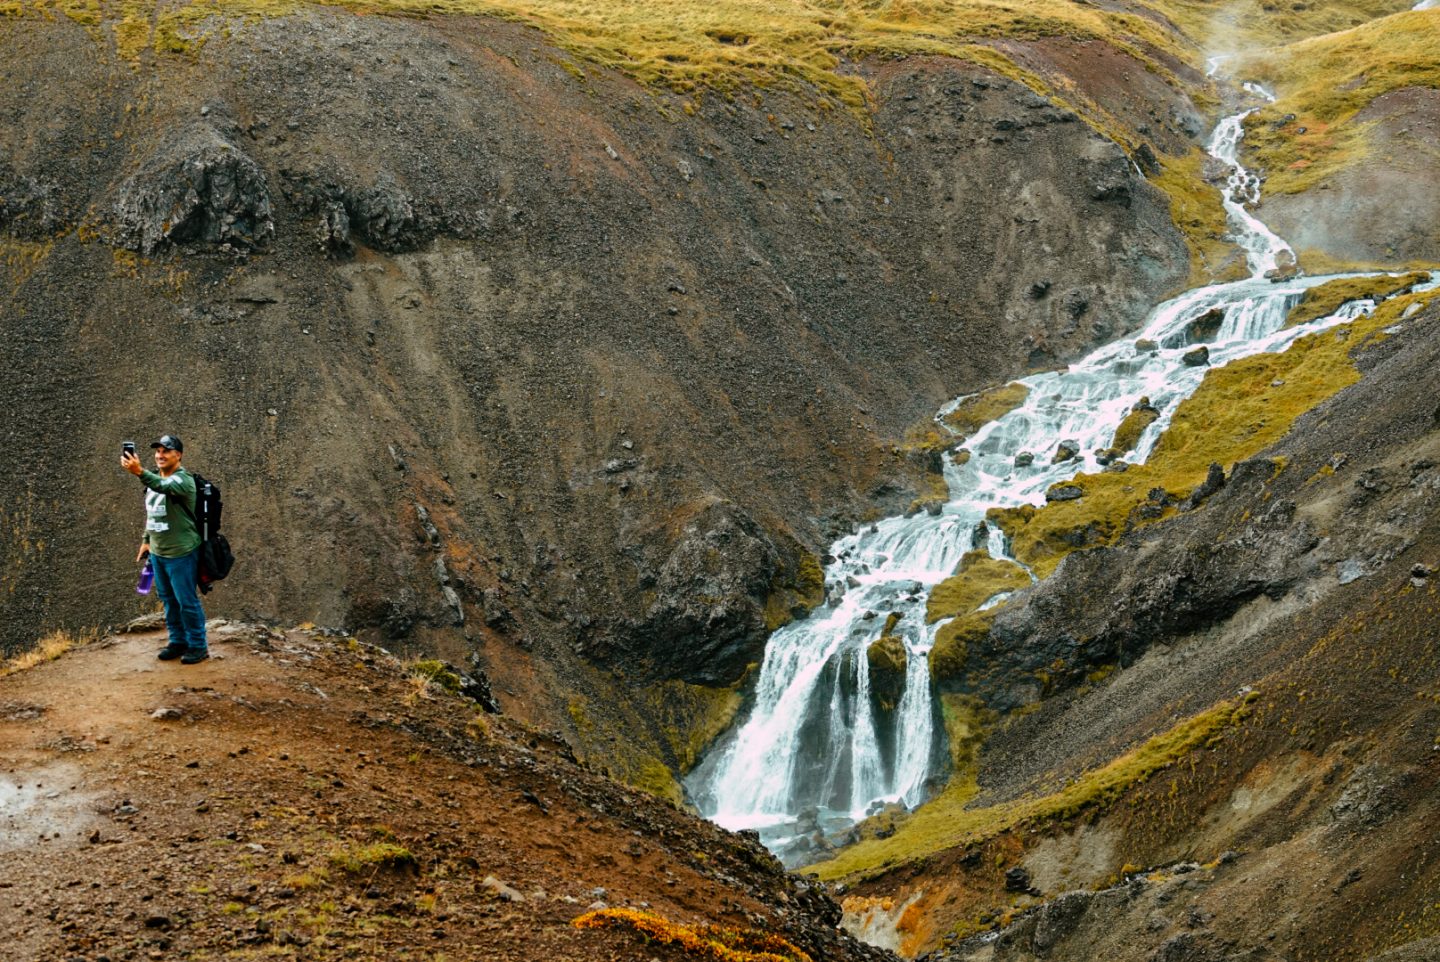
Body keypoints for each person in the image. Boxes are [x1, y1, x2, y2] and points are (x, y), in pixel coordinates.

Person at [121, 434, 208, 664]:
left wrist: (140, 472)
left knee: (186, 601)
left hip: (181, 553)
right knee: (168, 599)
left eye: (166, 451)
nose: (160, 455)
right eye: (158, 451)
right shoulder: (154, 479)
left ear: (177, 455)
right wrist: (146, 539)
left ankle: (198, 645)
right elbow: (153, 512)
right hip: (158, 553)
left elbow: (162, 485)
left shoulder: (183, 480)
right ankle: (178, 641)